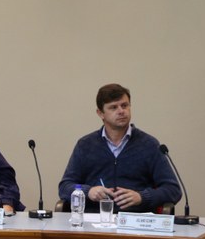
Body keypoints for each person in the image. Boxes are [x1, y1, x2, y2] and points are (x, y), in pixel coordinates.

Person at [58, 83, 181, 213]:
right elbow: (65, 187)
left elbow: (173, 190)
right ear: (100, 113)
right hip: (94, 218)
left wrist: (142, 197)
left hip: (135, 219)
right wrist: (88, 191)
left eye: (124, 105)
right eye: (113, 107)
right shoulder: (85, 145)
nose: (121, 111)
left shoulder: (149, 144)